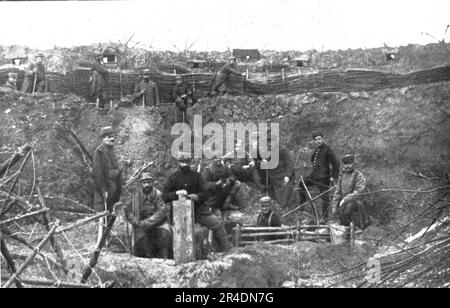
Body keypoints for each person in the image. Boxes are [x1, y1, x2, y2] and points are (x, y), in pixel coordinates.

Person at [163, 152, 233, 252]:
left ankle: (227, 250)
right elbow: (165, 196)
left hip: (198, 211)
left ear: (189, 162)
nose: (185, 164)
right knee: (175, 233)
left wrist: (197, 197)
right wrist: (176, 193)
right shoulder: (173, 178)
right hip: (179, 213)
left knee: (217, 224)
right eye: (182, 162)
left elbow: (206, 193)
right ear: (178, 163)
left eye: (187, 162)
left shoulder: (197, 176)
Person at [124, 172, 172, 259]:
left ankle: (165, 260)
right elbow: (128, 211)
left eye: (149, 182)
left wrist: (146, 223)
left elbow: (161, 212)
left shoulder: (159, 194)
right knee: (141, 243)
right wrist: (136, 222)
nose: (146, 185)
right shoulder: (135, 196)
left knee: (165, 236)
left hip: (159, 224)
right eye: (144, 182)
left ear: (152, 183)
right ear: (141, 183)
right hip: (141, 224)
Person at [298, 131, 339, 221]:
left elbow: (335, 163)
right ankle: (303, 207)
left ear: (323, 139)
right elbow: (313, 159)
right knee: (302, 183)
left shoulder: (327, 149)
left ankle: (325, 218)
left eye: (319, 139)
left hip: (324, 177)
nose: (318, 141)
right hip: (314, 176)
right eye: (316, 140)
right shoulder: (317, 149)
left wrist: (333, 176)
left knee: (325, 197)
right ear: (314, 141)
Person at [331, 154, 369, 229]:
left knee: (349, 207)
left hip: (357, 203)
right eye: (345, 164)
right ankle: (343, 231)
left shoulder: (359, 176)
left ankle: (354, 229)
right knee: (338, 212)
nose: (347, 166)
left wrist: (345, 199)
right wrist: (334, 207)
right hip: (343, 203)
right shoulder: (342, 176)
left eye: (349, 163)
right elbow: (337, 193)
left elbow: (358, 192)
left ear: (354, 164)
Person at [92, 126, 123, 213]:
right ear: (103, 138)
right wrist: (103, 190)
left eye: (113, 136)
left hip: (114, 190)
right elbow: (97, 173)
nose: (112, 139)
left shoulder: (112, 150)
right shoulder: (99, 152)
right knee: (102, 216)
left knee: (113, 214)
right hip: (104, 192)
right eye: (109, 137)